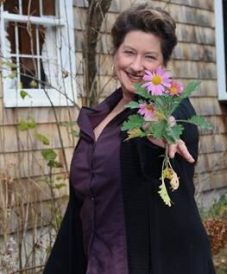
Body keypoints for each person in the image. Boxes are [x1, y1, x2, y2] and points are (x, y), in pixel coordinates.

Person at [43, 3, 216, 274]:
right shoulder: (100, 117)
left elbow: (168, 117)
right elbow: (82, 206)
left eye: (149, 57)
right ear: (115, 55)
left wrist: (164, 129)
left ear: (163, 66)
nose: (136, 65)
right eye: (129, 52)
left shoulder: (170, 105)